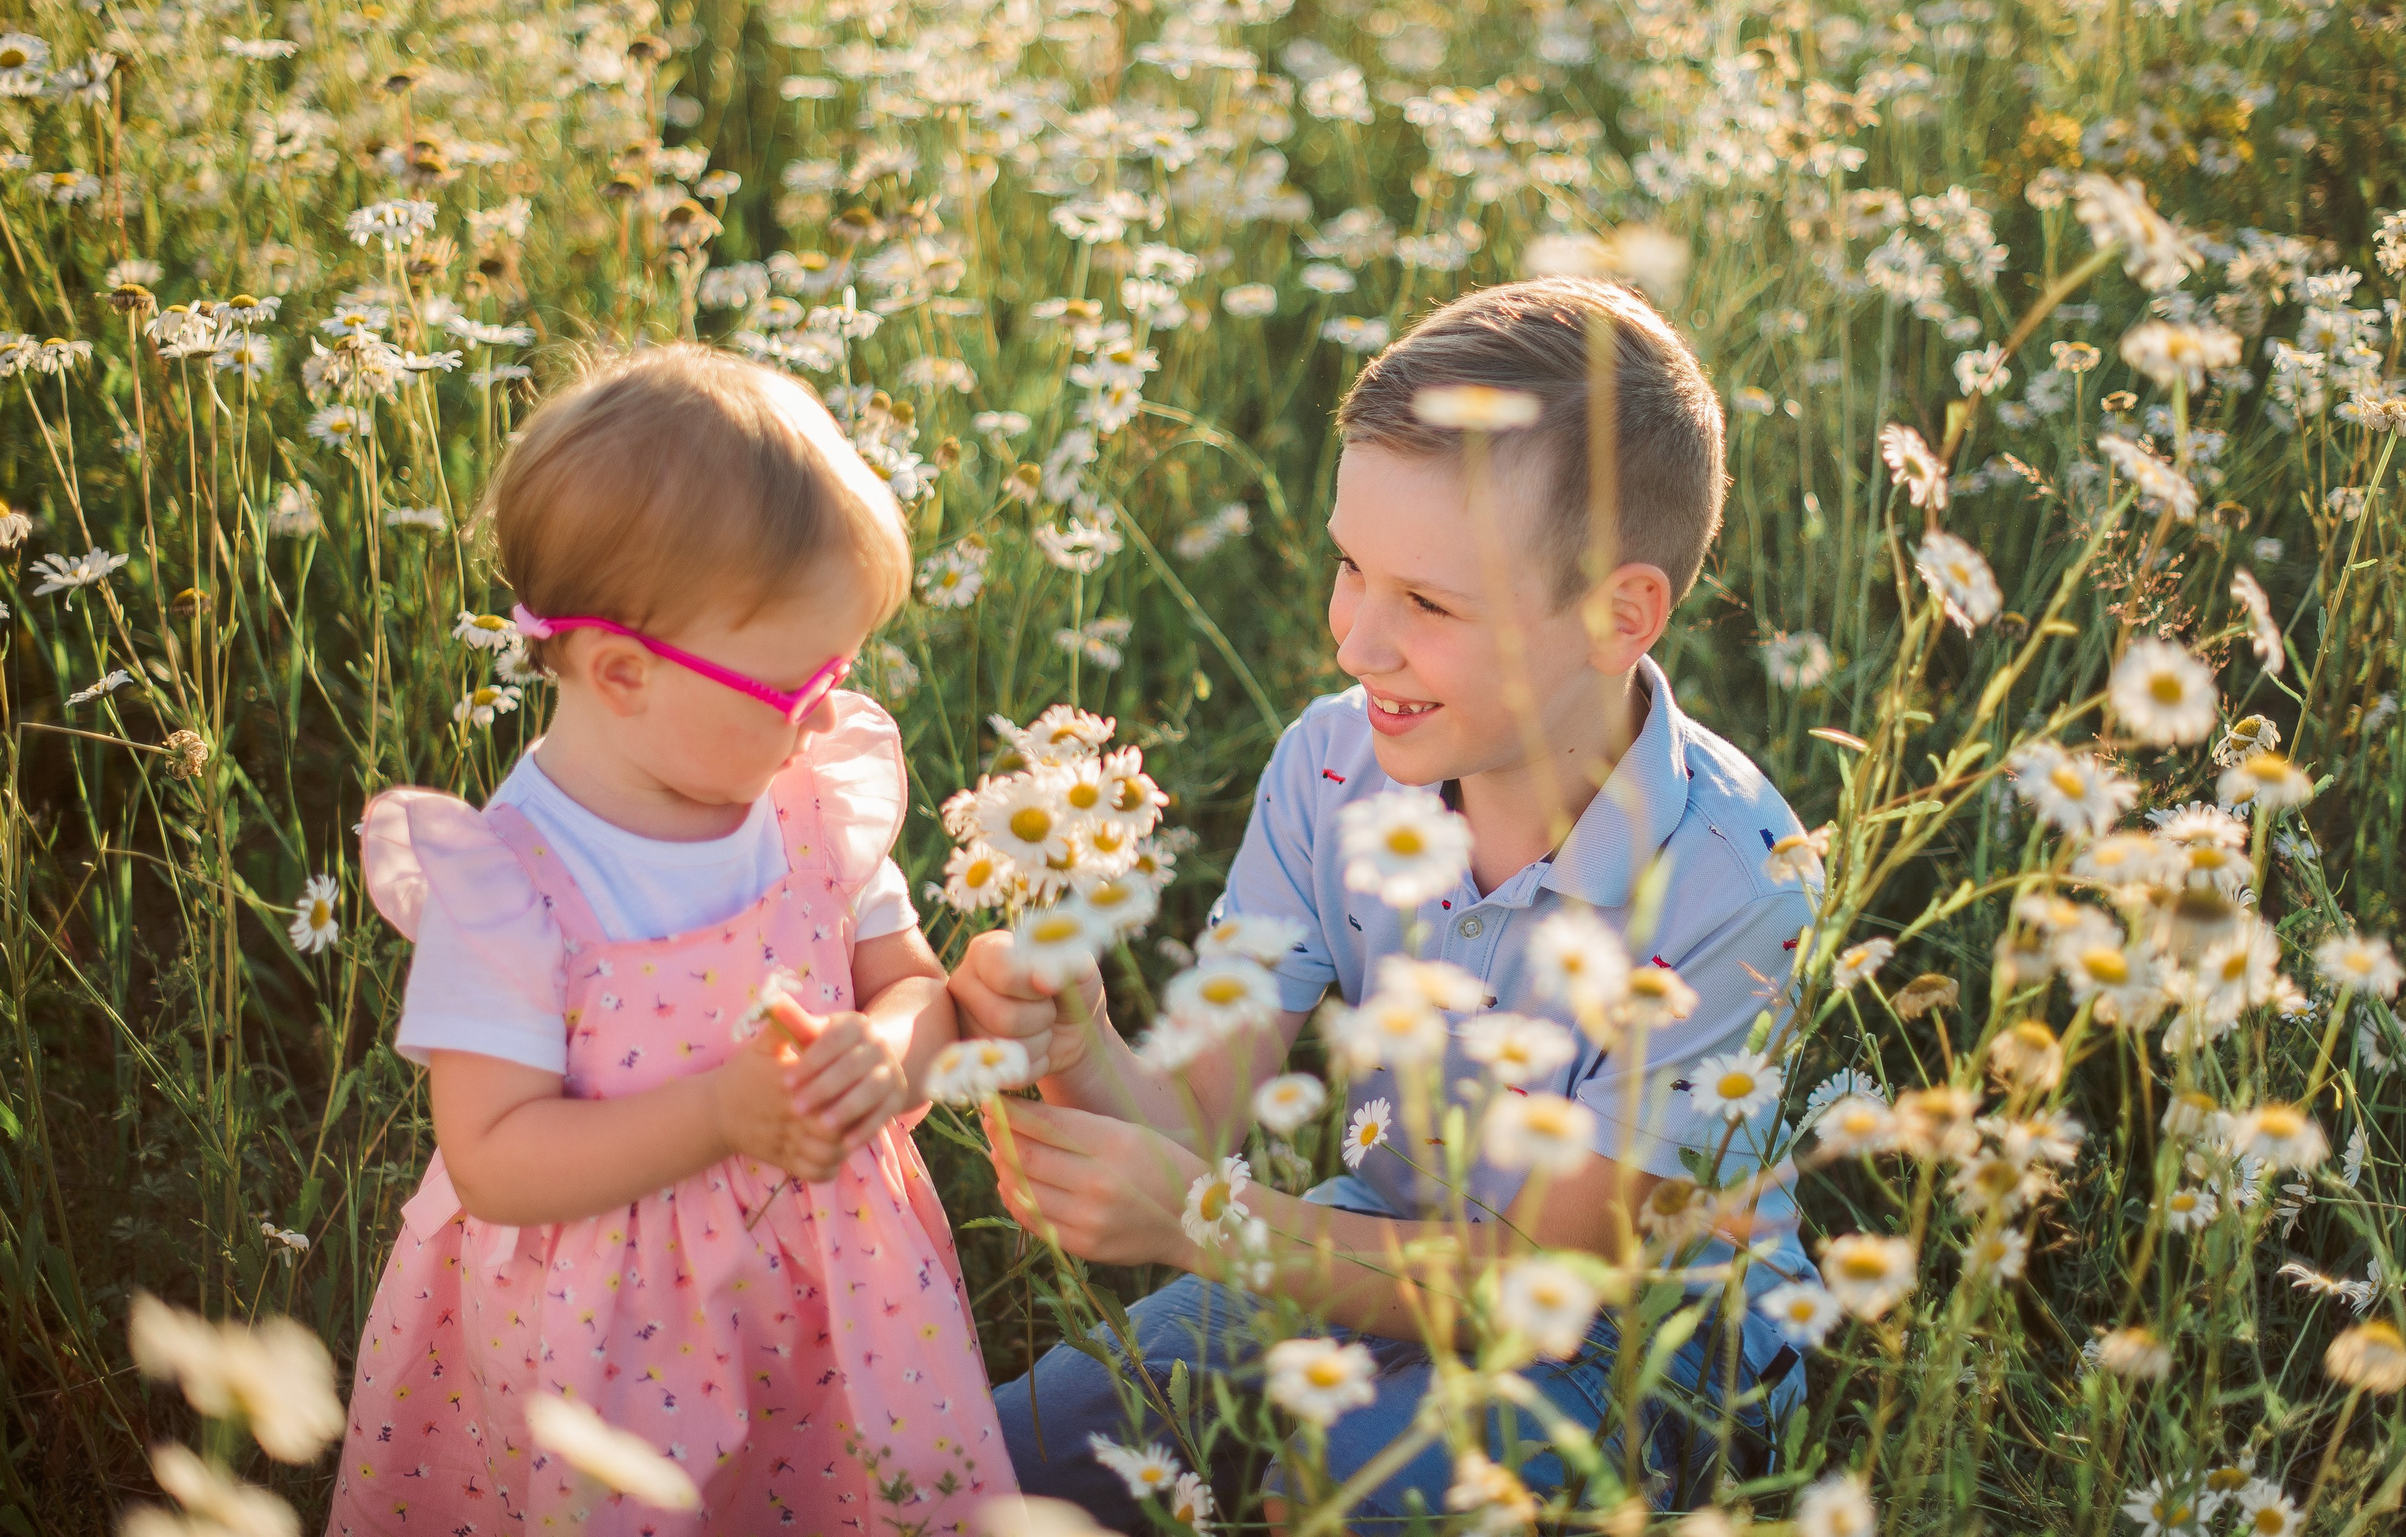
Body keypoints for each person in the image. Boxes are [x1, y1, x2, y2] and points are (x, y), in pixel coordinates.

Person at [951, 277, 1820, 1530]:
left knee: (1356, 1493)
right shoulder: (1331, 764)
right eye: (1351, 568)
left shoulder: (1734, 886)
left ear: (1617, 614)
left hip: (1644, 1339)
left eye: (1428, 602)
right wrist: (1081, 1043)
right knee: (1005, 1460)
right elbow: (1195, 1110)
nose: (1356, 641)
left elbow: (1544, 1281)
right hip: (1362, 1234)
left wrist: (1207, 1222)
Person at [331, 345, 1014, 1534]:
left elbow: (906, 984)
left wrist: (886, 1054)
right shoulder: (517, 883)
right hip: (607, 1346)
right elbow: (492, 1154)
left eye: (838, 667)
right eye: (793, 678)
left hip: (835, 1309)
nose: (822, 708)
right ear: (624, 670)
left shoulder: (802, 805)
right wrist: (719, 1117)